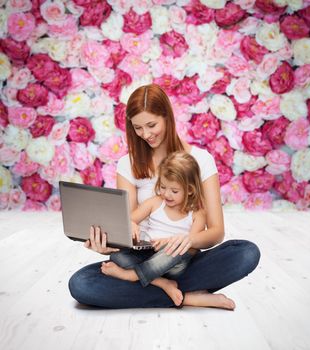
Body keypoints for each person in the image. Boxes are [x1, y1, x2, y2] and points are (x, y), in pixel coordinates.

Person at [68, 84, 260, 309]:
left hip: (184, 258)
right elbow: (129, 227)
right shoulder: (127, 165)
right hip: (140, 258)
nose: (146, 134)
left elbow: (216, 232)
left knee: (246, 253)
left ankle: (150, 285)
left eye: (151, 125)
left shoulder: (201, 160)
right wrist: (107, 243)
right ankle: (185, 295)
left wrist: (187, 240)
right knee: (80, 284)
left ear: (167, 117)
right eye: (138, 128)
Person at [101, 151, 234, 309]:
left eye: (174, 191)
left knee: (178, 250)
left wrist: (169, 243)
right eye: (163, 187)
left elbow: (191, 246)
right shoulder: (155, 203)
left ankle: (130, 275)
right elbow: (128, 220)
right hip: (147, 256)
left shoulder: (197, 213)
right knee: (116, 255)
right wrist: (132, 224)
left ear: (190, 190)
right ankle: (163, 283)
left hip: (171, 262)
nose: (166, 194)